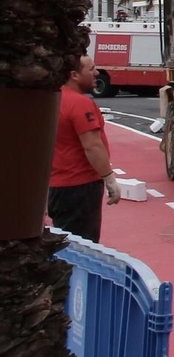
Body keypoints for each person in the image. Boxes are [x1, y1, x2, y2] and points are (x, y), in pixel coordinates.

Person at [49, 56, 119, 241]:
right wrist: (109, 178)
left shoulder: (54, 99)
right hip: (80, 187)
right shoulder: (80, 104)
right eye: (91, 69)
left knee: (64, 238)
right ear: (74, 75)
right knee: (82, 243)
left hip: (57, 186)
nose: (96, 73)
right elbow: (92, 145)